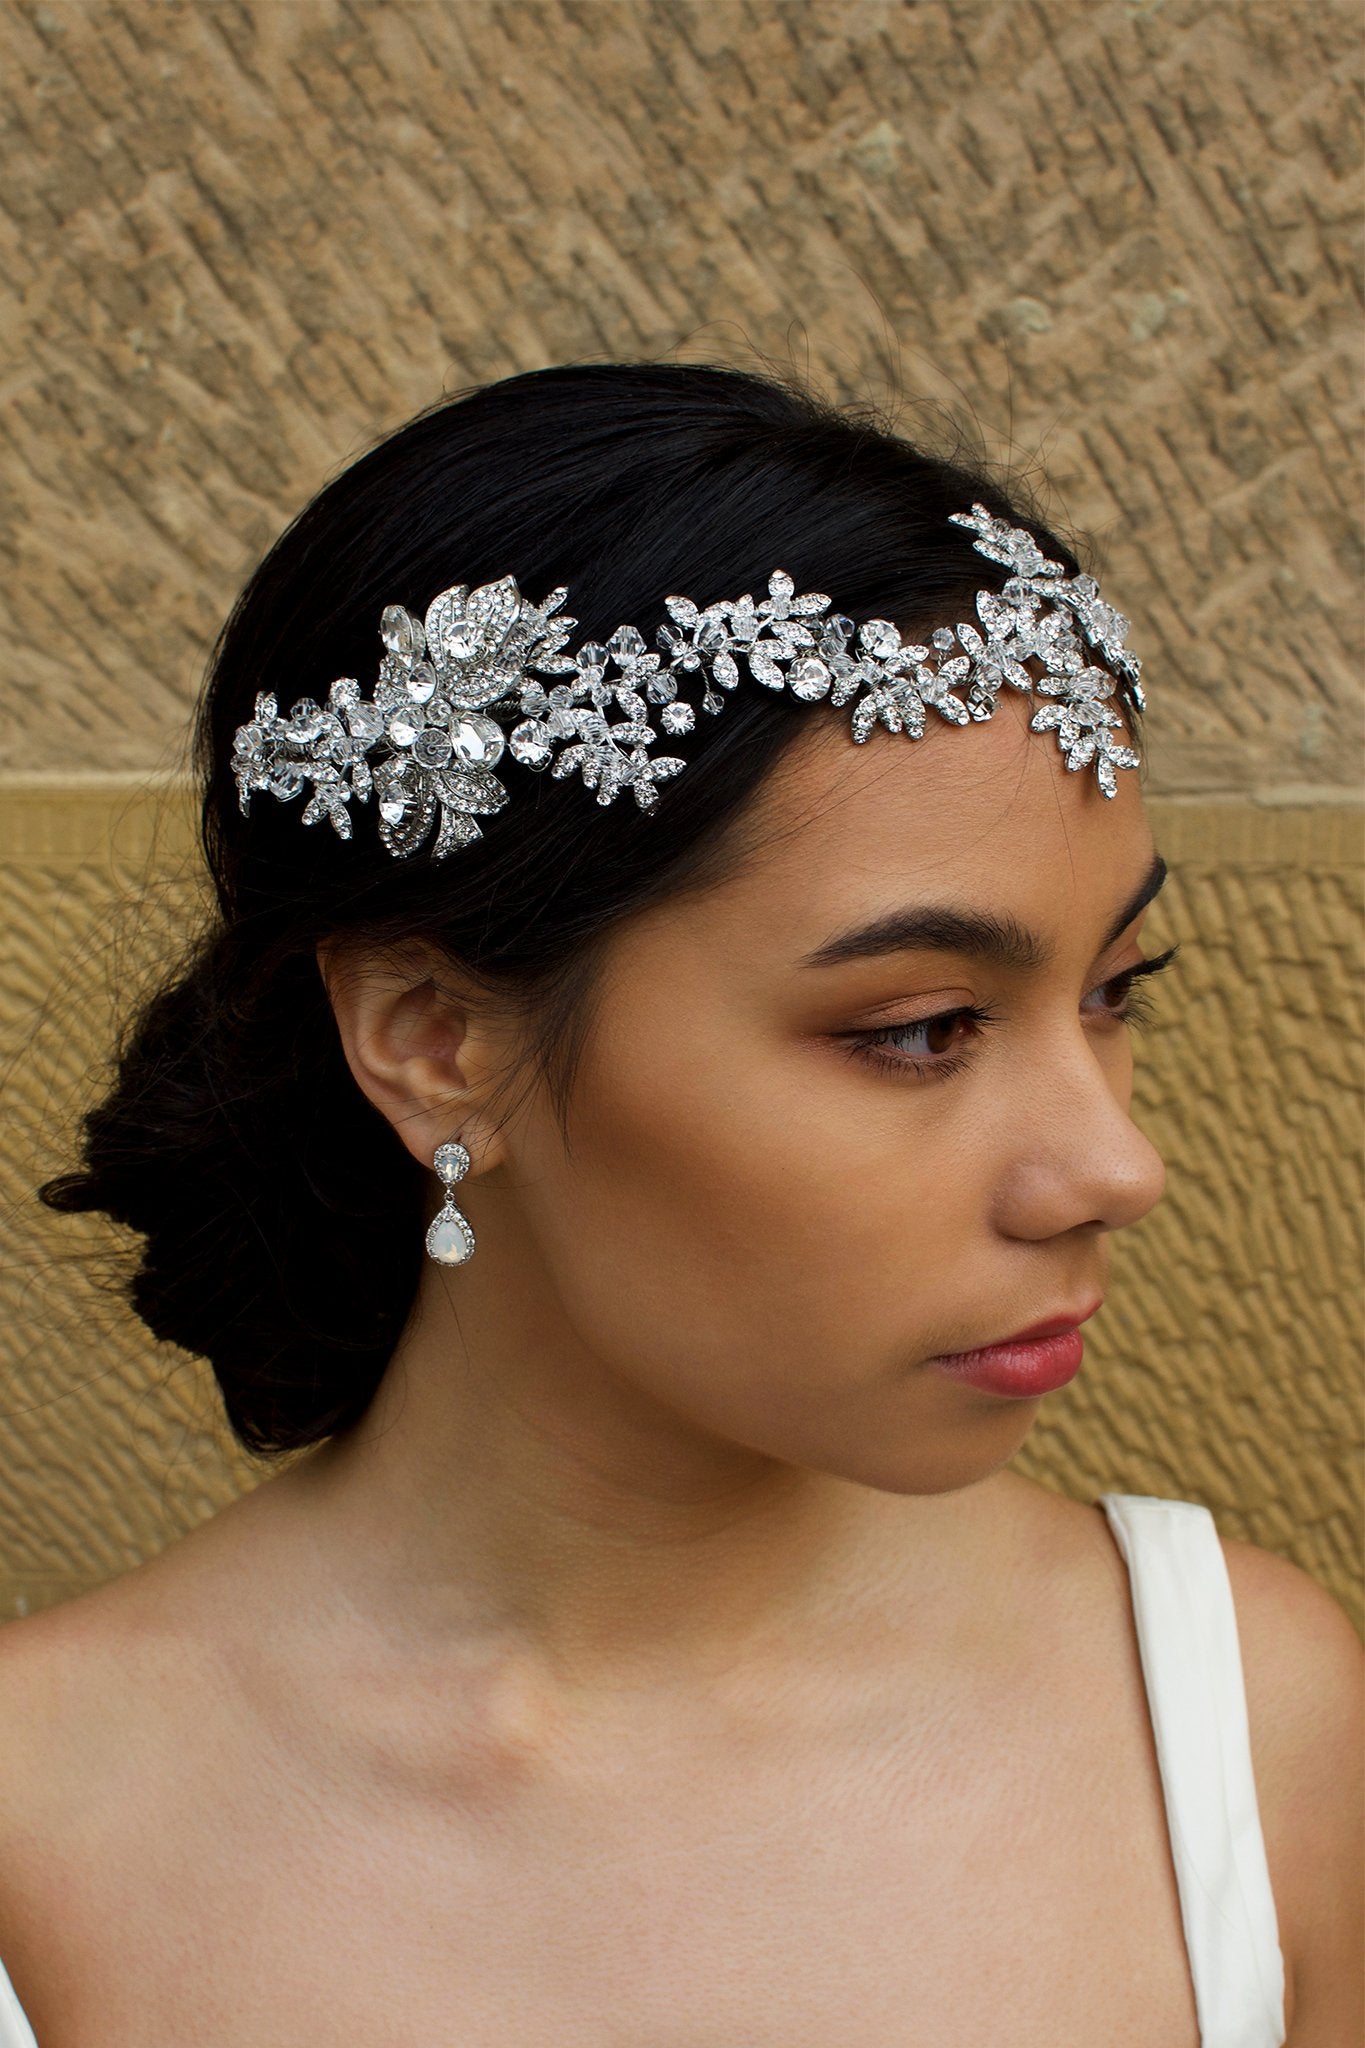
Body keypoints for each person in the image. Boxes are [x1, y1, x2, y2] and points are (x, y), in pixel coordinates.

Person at [0, 362, 1358, 2046]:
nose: (1110, 1170)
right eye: (919, 1031)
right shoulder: (41, 1846)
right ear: (435, 1044)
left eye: (1114, 989)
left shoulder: (1239, 1733)